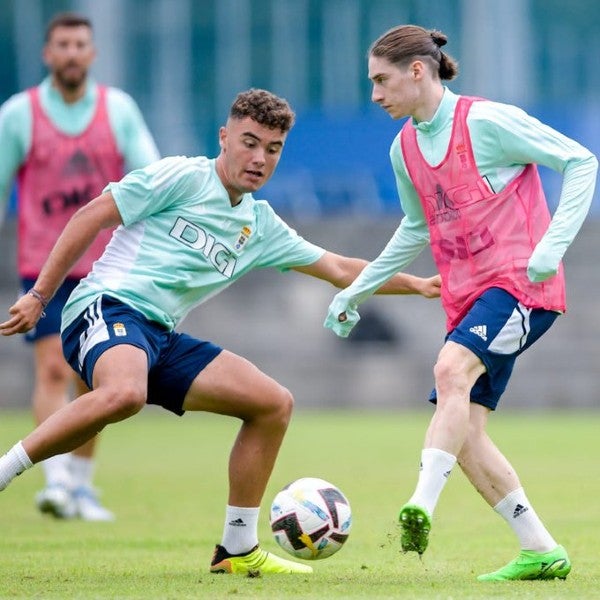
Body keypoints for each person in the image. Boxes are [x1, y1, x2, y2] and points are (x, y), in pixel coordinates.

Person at [0, 88, 440, 575]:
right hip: (105, 307)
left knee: (272, 404)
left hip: (159, 337)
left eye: (272, 150)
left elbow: (338, 267)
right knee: (124, 393)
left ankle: (236, 549)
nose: (259, 159)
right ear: (224, 137)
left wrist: (417, 283)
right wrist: (40, 296)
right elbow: (91, 214)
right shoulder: (182, 176)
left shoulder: (260, 224)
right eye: (249, 143)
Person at [324, 24, 598, 581]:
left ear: (417, 71)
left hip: (522, 286)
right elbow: (414, 228)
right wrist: (357, 287)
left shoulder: (487, 122)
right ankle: (540, 550)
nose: (374, 94)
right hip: (467, 299)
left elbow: (580, 162)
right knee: (466, 434)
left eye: (382, 80)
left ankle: (420, 504)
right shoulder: (403, 147)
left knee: (450, 371)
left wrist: (552, 247)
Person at [0, 12, 160, 521]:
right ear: (48, 55)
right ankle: (57, 483)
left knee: (94, 379)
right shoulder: (19, 115)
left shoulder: (118, 110)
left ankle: (83, 487)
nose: (71, 53)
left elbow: (150, 176)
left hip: (109, 271)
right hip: (45, 268)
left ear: (92, 54)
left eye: (80, 45)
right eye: (62, 45)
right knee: (51, 367)